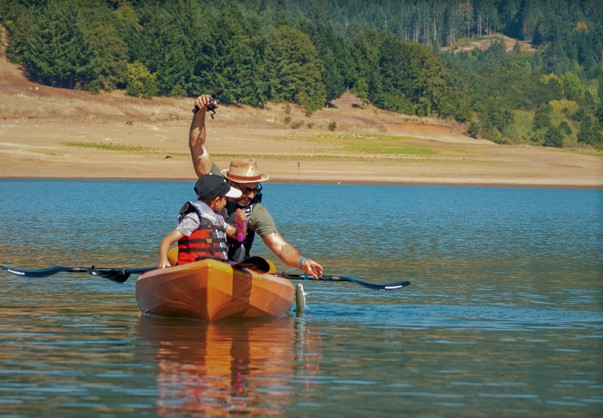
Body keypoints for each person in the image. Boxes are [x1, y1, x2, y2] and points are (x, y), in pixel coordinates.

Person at [189, 94, 323, 279]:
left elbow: (280, 245)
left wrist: (302, 262)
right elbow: (198, 147)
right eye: (245, 190)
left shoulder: (257, 212)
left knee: (264, 263)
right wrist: (200, 111)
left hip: (237, 266)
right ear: (229, 183)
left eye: (254, 189)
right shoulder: (214, 183)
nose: (250, 196)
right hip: (203, 261)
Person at [158, 173, 246, 269]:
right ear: (217, 200)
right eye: (225, 198)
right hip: (193, 268)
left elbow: (240, 238)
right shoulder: (194, 218)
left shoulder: (219, 220)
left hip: (215, 267)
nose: (226, 202)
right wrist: (164, 260)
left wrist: (241, 225)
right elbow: (167, 240)